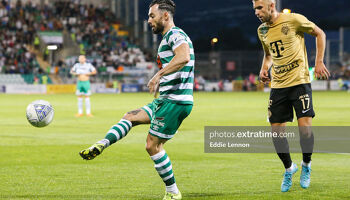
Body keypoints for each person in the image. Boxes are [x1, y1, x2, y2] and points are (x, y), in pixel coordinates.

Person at [79, 0, 194, 199]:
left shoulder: (175, 34)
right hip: (165, 100)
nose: (149, 20)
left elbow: (183, 56)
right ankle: (102, 144)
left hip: (175, 101)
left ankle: (173, 192)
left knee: (152, 145)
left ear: (165, 16)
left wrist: (158, 75)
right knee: (130, 117)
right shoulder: (169, 37)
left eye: (152, 16)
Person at [253, 0, 330, 192]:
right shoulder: (262, 30)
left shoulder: (294, 20)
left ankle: (306, 165)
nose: (256, 12)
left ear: (271, 6)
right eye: (254, 8)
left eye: (259, 7)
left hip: (300, 83)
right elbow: (269, 54)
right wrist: (264, 68)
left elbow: (320, 33)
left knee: (305, 130)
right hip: (278, 86)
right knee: (276, 134)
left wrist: (319, 61)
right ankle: (289, 168)